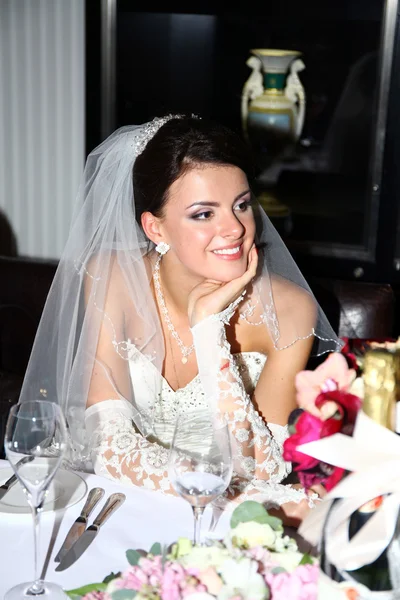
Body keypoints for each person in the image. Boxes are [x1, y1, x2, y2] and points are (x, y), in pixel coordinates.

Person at [19, 115, 341, 525]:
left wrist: (208, 331)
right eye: (204, 214)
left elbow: (259, 469)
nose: (235, 229)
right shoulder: (109, 276)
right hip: (119, 506)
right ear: (155, 228)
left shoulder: (291, 310)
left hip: (219, 524)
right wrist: (217, 489)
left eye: (241, 205)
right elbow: (106, 444)